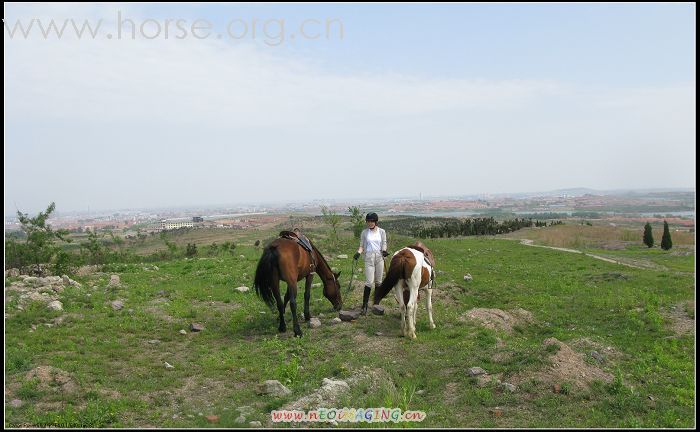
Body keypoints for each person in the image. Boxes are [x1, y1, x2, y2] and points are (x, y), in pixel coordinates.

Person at [353, 212, 388, 315]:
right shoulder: (364, 232)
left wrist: (384, 250)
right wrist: (358, 253)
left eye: (372, 221)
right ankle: (364, 306)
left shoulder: (382, 232)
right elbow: (362, 246)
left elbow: (384, 243)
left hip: (379, 257)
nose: (370, 223)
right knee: (369, 282)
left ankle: (376, 304)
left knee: (378, 282)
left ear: (375, 222)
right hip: (369, 257)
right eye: (368, 221)